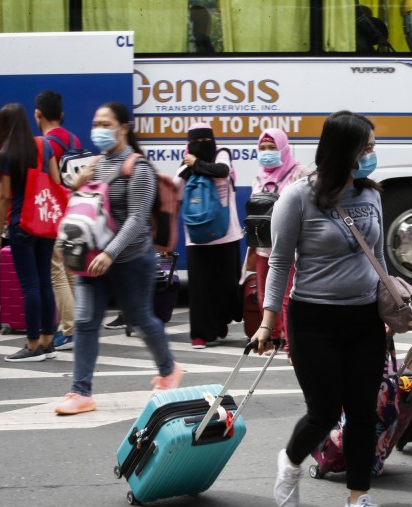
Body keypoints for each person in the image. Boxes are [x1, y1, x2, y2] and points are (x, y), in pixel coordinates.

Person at [254, 111, 397, 507]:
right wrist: (267, 323)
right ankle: (292, 460)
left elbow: (381, 257)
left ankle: (358, 503)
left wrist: (387, 305)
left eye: (373, 147)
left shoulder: (371, 195)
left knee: (362, 414)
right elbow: (279, 264)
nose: (372, 155)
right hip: (313, 318)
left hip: (364, 319)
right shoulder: (297, 198)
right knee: (323, 412)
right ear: (344, 150)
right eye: (366, 148)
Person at [53, 102, 183, 415]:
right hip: (91, 256)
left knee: (139, 319)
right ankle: (81, 392)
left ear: (123, 127)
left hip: (130, 258)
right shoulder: (94, 164)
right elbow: (83, 208)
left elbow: (137, 218)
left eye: (105, 123)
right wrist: (76, 184)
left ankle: (169, 370)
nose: (98, 128)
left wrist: (111, 253)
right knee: (85, 322)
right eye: (95, 122)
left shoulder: (138, 168)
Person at [0, 103, 61, 363]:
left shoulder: (6, 154)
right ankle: (48, 340)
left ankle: (31, 345)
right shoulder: (45, 145)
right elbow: (56, 182)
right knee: (44, 282)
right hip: (45, 222)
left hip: (21, 224)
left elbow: (5, 196)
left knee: (30, 285)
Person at [175, 122, 241, 349]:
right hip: (197, 235)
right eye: (196, 142)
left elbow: (222, 171)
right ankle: (201, 334)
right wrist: (189, 166)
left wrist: (197, 164)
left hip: (227, 234)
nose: (201, 145)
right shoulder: (185, 164)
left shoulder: (222, 155)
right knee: (200, 288)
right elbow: (176, 189)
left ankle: (221, 321)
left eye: (205, 141)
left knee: (227, 285)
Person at [250, 128, 310, 355]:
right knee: (265, 295)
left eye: (272, 147)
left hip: (288, 247)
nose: (267, 153)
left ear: (283, 148)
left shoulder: (299, 173)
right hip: (263, 246)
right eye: (263, 148)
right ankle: (273, 337)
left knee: (287, 297)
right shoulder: (259, 176)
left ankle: (290, 344)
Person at [34, 89, 80, 351]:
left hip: (55, 214)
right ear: (61, 115)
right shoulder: (72, 138)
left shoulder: (45, 143)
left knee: (56, 272)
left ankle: (69, 330)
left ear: (38, 114)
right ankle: (78, 326)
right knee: (72, 270)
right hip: (76, 210)